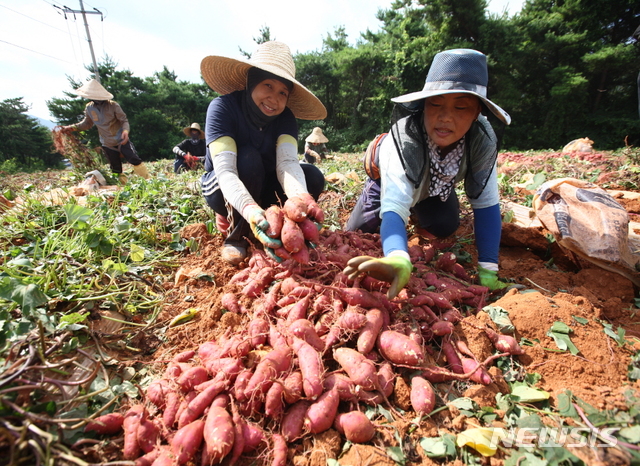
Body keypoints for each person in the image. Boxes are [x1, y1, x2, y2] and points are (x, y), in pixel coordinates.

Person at [344, 48, 513, 298]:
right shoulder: (403, 141)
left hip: (436, 189)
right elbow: (393, 206)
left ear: (477, 113)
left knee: (445, 224)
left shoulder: (481, 141)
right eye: (436, 104)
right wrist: (398, 257)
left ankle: (419, 215)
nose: (445, 117)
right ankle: (383, 213)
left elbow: (486, 206)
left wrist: (488, 271)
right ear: (424, 105)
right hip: (389, 185)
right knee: (359, 234)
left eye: (461, 107)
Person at [200, 41, 327, 265]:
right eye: (267, 85)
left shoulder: (285, 117)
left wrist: (303, 200)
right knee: (248, 158)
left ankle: (283, 230)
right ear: (251, 82)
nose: (274, 99)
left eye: (282, 92)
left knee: (313, 176)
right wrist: (249, 210)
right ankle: (237, 236)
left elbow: (287, 163)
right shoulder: (222, 108)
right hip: (224, 187)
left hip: (265, 183)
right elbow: (226, 171)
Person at [62, 79, 149, 184]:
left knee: (134, 159)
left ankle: (146, 181)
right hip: (106, 142)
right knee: (115, 167)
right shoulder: (89, 108)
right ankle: (122, 185)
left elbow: (124, 120)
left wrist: (125, 131)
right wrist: (71, 128)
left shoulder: (113, 106)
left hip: (121, 139)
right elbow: (87, 124)